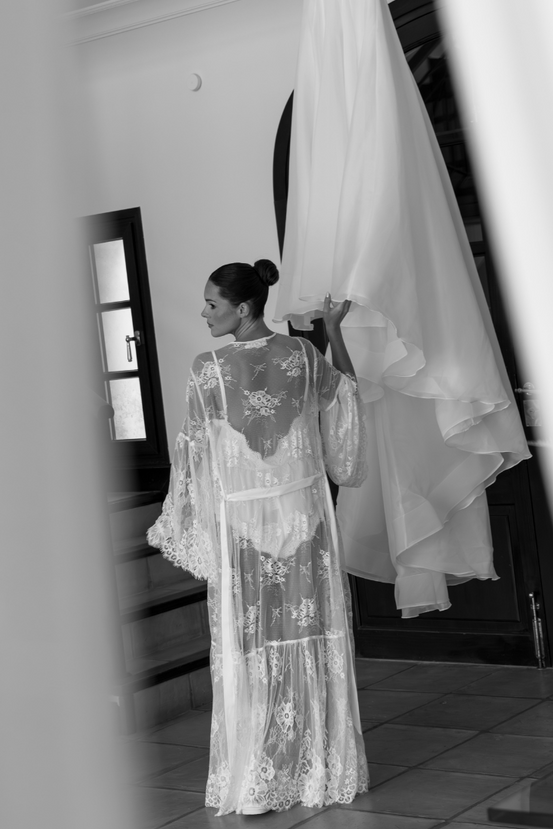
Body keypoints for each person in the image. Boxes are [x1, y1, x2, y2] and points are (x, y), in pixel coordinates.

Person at [148, 259, 369, 815]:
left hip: (245, 527)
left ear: (242, 308)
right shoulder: (305, 355)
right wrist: (333, 331)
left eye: (212, 304)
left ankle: (258, 777)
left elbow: (193, 455)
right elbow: (346, 397)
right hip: (304, 519)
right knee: (305, 634)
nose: (203, 313)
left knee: (252, 644)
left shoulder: (208, 370)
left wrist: (194, 523)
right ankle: (316, 768)